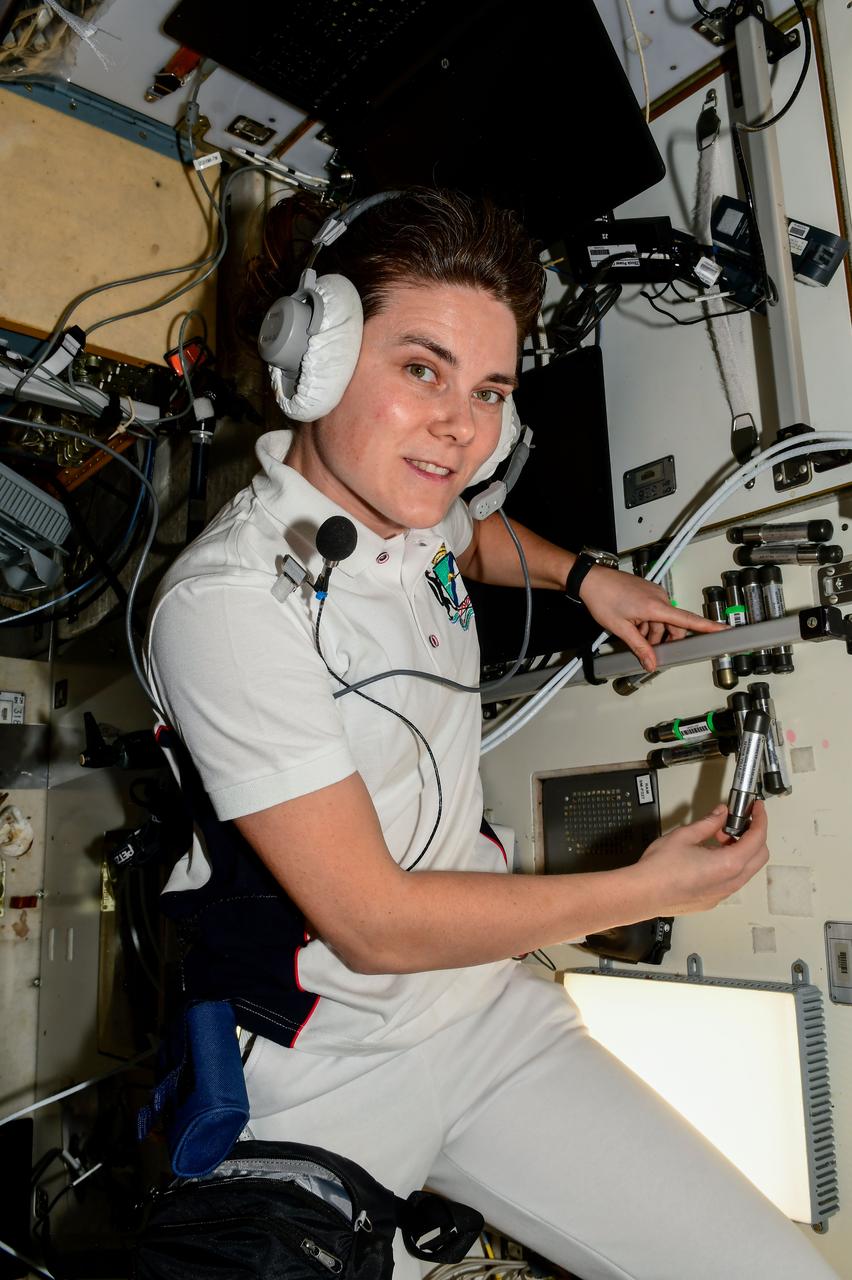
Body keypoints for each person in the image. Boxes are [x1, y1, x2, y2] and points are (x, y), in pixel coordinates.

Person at [146, 188, 838, 1280]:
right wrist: (649, 889)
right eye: (420, 369)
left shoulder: (412, 509)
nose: (460, 427)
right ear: (316, 359)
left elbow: (467, 534)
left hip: (480, 1015)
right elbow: (374, 923)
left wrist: (585, 574)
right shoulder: (228, 603)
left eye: (490, 391)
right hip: (320, 1067)